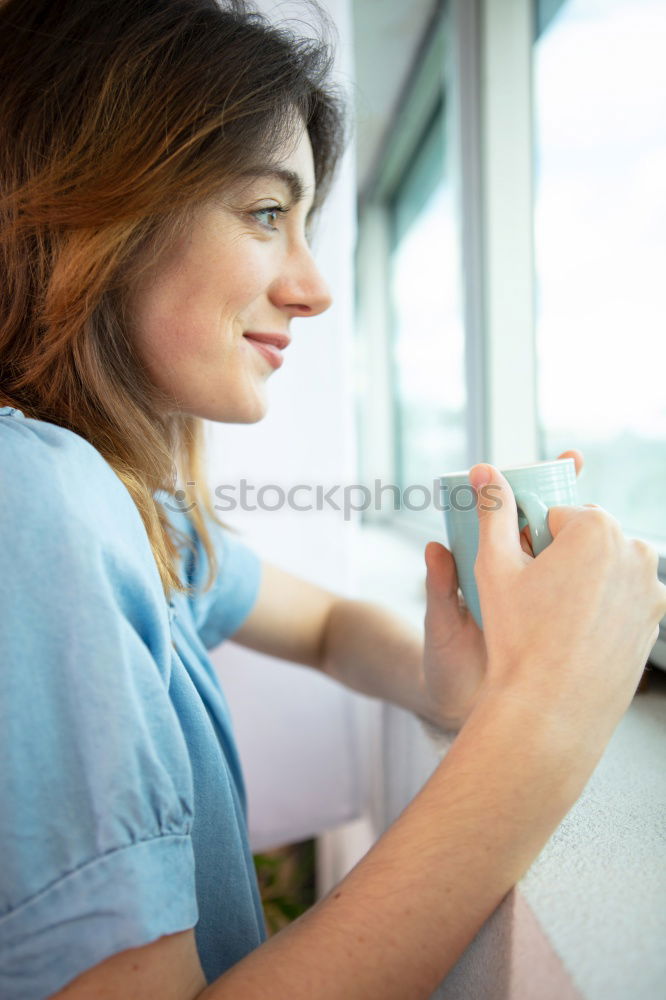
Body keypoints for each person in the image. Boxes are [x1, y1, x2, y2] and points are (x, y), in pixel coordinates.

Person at [0, 0, 663, 997]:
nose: (312, 287)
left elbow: (325, 627)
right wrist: (542, 722)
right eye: (270, 213)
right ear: (99, 206)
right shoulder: (35, 503)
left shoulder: (141, 516)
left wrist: (447, 684)